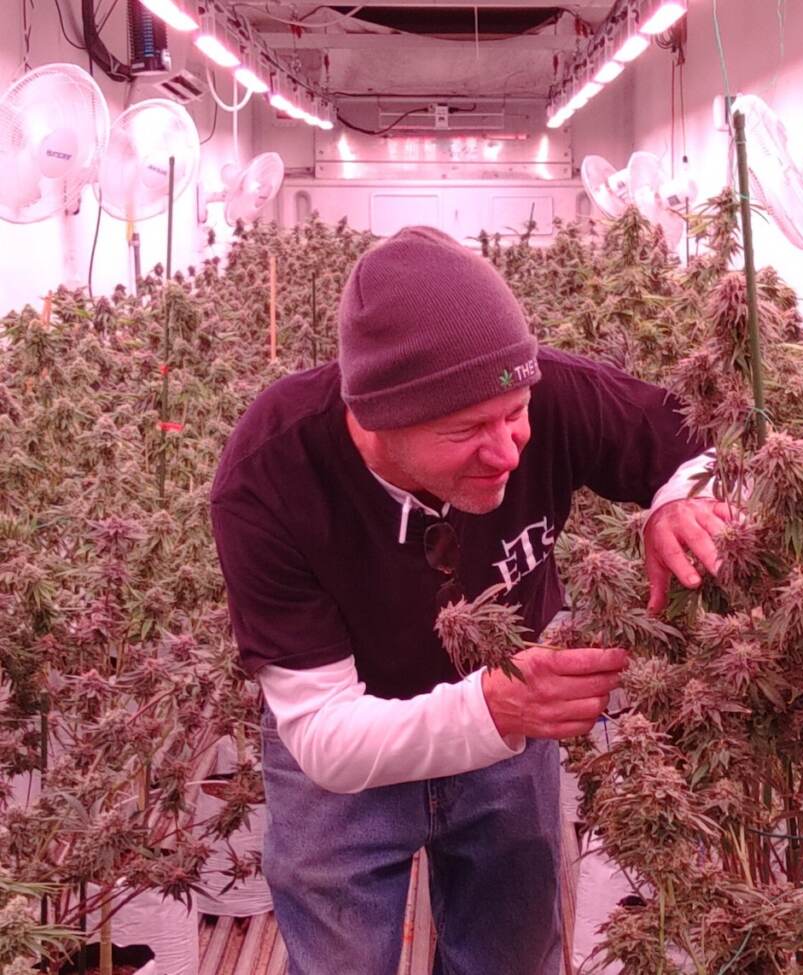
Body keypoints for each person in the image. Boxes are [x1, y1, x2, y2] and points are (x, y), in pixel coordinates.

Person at [210, 226, 731, 975]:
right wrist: (495, 708)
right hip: (348, 759)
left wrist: (678, 503)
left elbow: (703, 444)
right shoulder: (273, 471)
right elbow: (324, 733)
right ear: (375, 422)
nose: (508, 449)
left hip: (508, 743)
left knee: (511, 956)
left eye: (515, 415)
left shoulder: (536, 388)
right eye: (466, 431)